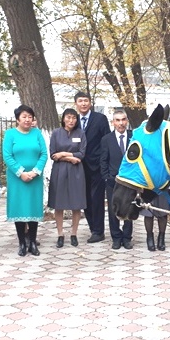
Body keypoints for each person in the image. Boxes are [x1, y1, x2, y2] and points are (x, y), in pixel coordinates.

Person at [3, 105, 47, 256]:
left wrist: (35, 172)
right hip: (17, 179)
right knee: (20, 208)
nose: (27, 119)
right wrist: (21, 172)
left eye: (30, 117)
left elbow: (44, 154)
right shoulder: (10, 134)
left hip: (35, 178)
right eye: (24, 117)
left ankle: (33, 243)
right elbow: (7, 156)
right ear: (17, 119)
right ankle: (22, 243)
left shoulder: (37, 133)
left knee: (33, 208)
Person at [48, 108, 86, 248]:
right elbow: (53, 154)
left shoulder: (80, 133)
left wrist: (63, 155)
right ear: (63, 118)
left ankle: (74, 233)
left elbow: (82, 154)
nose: (71, 120)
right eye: (68, 117)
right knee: (59, 204)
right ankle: (60, 234)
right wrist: (71, 156)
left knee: (76, 203)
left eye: (74, 118)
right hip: (59, 171)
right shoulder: (56, 133)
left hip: (76, 172)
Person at [75, 92, 110, 243]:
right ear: (75, 103)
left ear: (90, 103)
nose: (83, 103)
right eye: (80, 101)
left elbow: (106, 140)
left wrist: (104, 163)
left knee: (97, 199)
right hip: (78, 167)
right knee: (85, 199)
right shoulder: (73, 120)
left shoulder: (100, 119)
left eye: (86, 101)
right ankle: (92, 228)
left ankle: (98, 231)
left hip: (97, 167)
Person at [101, 108, 133, 250]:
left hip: (130, 181)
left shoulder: (134, 137)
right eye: (118, 120)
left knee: (129, 208)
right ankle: (116, 237)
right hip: (112, 181)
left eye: (123, 119)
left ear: (127, 121)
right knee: (114, 211)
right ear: (113, 122)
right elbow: (103, 160)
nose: (121, 123)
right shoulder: (106, 139)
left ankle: (127, 238)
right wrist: (107, 177)